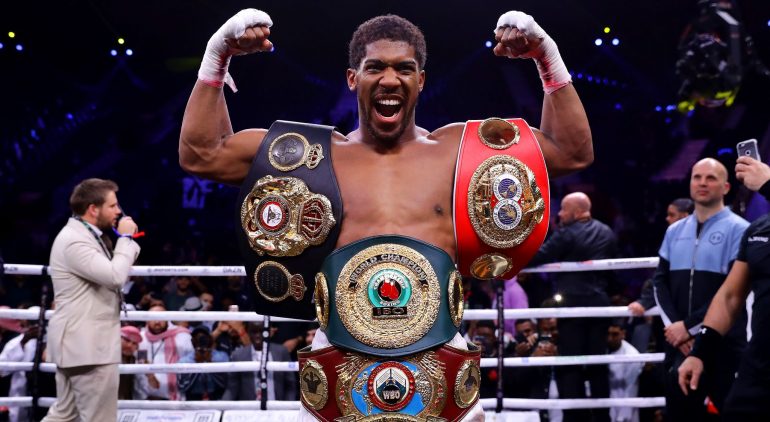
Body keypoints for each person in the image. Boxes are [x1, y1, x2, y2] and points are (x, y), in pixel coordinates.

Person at [179, 7, 592, 420]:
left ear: (420, 80)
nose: (390, 80)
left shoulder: (458, 152)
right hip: (338, 371)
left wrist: (547, 58)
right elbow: (202, 155)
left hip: (442, 371)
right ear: (352, 78)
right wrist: (217, 57)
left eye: (404, 69)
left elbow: (571, 152)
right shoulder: (311, 157)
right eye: (375, 67)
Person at [652, 158, 749, 420]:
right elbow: (659, 283)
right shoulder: (674, 231)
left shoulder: (740, 230)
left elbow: (732, 290)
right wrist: (677, 329)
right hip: (680, 345)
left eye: (711, 178)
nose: (702, 183)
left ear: (726, 187)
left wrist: (688, 327)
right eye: (697, 177)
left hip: (723, 342)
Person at [678, 156, 770, 420]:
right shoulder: (758, 230)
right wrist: (699, 353)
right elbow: (730, 297)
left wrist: (767, 185)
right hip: (760, 363)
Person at [41, 179, 140, 422]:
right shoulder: (75, 241)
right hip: (88, 348)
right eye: (112, 206)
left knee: (64, 415)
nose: (118, 212)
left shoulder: (83, 235)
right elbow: (115, 276)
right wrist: (126, 238)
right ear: (93, 209)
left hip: (81, 345)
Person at [528, 191, 618, 422]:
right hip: (599, 304)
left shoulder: (567, 234)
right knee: (597, 362)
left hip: (573, 305)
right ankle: (602, 417)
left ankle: (574, 418)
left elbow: (540, 256)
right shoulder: (607, 232)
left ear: (577, 212)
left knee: (571, 363)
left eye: (564, 209)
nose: (559, 214)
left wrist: (512, 257)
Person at [628, 198, 693, 316]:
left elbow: (666, 277)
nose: (667, 218)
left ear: (685, 216)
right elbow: (662, 276)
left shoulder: (695, 240)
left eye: (672, 215)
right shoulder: (672, 239)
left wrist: (645, 301)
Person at [222, 322, 297, 401]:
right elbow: (231, 389)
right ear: (248, 333)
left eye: (261, 331)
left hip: (277, 405)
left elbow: (290, 385)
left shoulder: (281, 352)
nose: (257, 335)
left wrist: (288, 405)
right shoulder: (238, 356)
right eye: (254, 332)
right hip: (250, 407)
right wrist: (221, 406)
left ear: (268, 332)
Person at [138, 305, 193, 400]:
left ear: (167, 319)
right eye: (153, 318)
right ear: (147, 320)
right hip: (144, 397)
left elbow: (191, 362)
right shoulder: (140, 338)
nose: (157, 322)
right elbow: (138, 363)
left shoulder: (182, 336)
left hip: (175, 397)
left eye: (161, 318)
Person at [0, 306, 40, 422]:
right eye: (32, 322)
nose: (35, 326)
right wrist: (23, 343)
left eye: (37, 322)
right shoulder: (15, 343)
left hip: (46, 390)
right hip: (20, 394)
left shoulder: (53, 340)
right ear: (25, 322)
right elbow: (1, 370)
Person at [178, 326, 229, 400]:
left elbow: (226, 384)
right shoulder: (184, 361)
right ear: (193, 341)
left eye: (203, 337)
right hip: (193, 400)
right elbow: (182, 387)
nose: (201, 341)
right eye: (197, 338)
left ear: (210, 339)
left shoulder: (222, 357)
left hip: (217, 399)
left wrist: (210, 364)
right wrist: (197, 366)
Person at [607, 319, 643, 422]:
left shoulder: (632, 355)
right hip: (607, 402)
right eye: (608, 334)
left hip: (626, 404)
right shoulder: (603, 349)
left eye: (615, 334)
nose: (610, 338)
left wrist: (622, 417)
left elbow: (631, 389)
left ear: (623, 334)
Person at [118, 325, 150, 400]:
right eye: (127, 340)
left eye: (134, 343)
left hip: (127, 403)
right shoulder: (106, 358)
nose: (129, 345)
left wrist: (149, 374)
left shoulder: (135, 362)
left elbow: (142, 395)